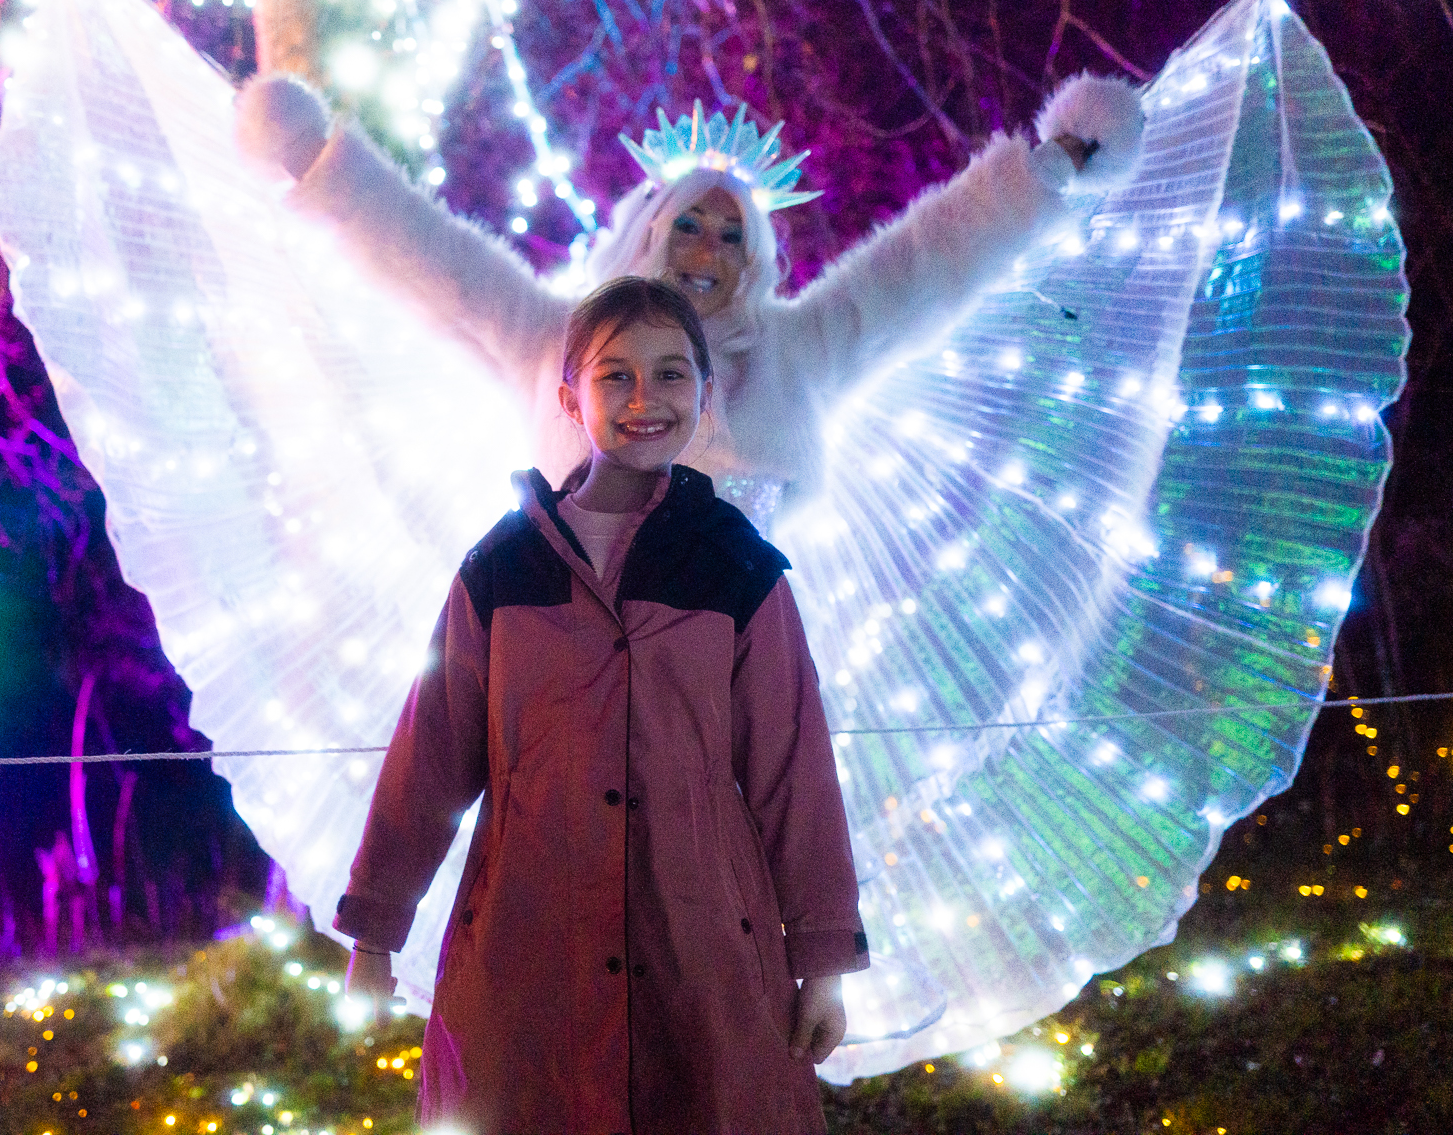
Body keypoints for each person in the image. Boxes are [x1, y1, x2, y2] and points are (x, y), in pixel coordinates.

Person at [335, 276, 866, 1133]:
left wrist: (824, 961)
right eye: (616, 375)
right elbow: (429, 756)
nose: (644, 398)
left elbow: (793, 772)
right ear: (569, 397)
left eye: (670, 373)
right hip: (525, 940)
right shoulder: (503, 567)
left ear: (706, 390)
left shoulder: (736, 567)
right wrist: (375, 932)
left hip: (701, 943)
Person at [235, 74, 1145, 527]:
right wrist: (323, 167)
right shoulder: (562, 341)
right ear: (651, 230)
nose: (707, 252)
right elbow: (442, 266)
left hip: (736, 673)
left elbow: (921, 268)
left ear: (755, 258)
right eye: (690, 226)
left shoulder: (796, 353)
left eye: (731, 236)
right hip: (576, 671)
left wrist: (1048, 170)